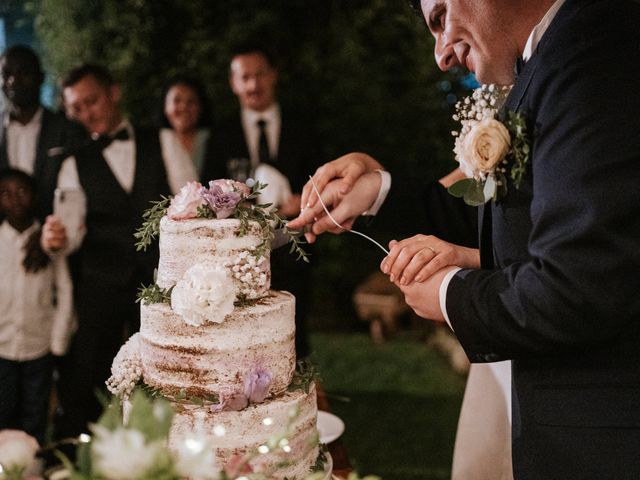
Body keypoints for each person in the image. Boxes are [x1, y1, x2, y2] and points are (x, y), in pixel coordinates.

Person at [289, 0, 640, 478]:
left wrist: (450, 293)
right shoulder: (545, 56)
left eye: (439, 20)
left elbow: (582, 283)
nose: (441, 56)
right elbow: (495, 215)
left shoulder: (594, 48)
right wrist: (376, 191)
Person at [41, 64, 174, 438]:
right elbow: (71, 231)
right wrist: (57, 237)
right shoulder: (73, 163)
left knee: (164, 371)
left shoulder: (161, 141)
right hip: (100, 282)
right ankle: (81, 454)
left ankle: (164, 450)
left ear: (114, 92)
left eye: (91, 101)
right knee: (88, 375)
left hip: (159, 281)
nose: (86, 114)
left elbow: (189, 206)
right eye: (76, 108)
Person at [203, 44, 322, 357]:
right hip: (241, 254)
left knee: (296, 332)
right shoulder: (221, 134)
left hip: (294, 247)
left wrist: (303, 199)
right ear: (234, 83)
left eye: (259, 75)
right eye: (245, 77)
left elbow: (321, 180)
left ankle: (302, 393)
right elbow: (209, 190)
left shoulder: (303, 126)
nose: (253, 85)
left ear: (273, 76)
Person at [0, 168, 74, 445]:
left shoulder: (49, 240)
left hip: (38, 345)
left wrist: (58, 341)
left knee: (36, 413)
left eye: (22, 192)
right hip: (2, 347)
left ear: (34, 197)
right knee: (4, 412)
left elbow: (65, 290)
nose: (14, 199)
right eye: (5, 193)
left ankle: (33, 468)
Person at [0, 45, 83, 272]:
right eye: (6, 74)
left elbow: (78, 193)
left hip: (60, 250)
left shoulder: (68, 130)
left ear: (40, 78)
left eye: (24, 72)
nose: (13, 81)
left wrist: (49, 235)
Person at [158, 75, 211, 187]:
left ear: (201, 106)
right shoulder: (155, 143)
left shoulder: (214, 140)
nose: (184, 107)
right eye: (176, 101)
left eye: (191, 102)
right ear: (165, 106)